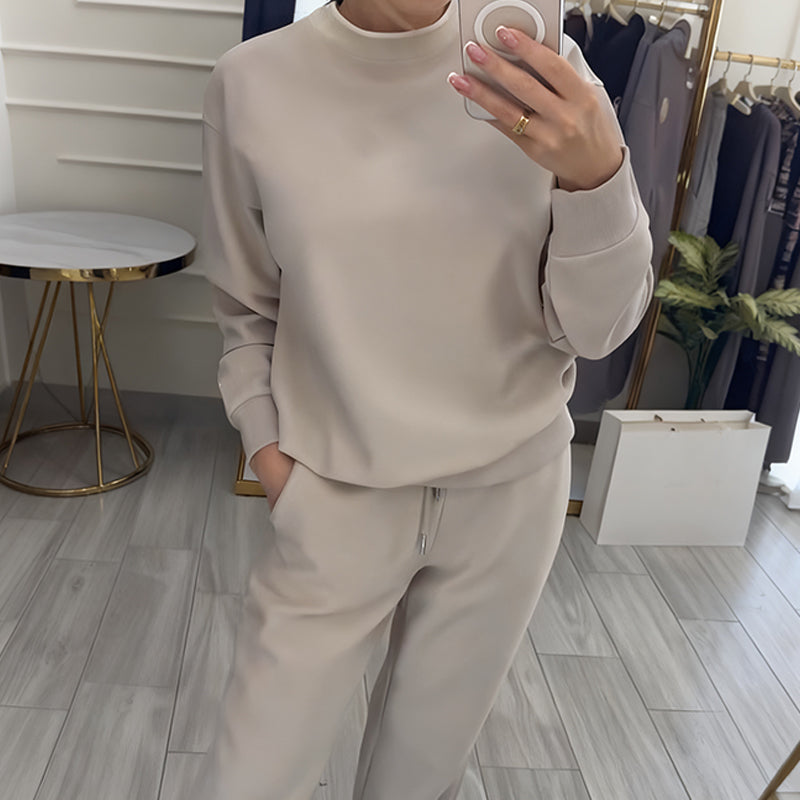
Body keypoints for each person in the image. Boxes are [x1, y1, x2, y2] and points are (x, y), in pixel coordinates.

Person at [193, 1, 654, 798]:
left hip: (510, 499)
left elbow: (599, 329)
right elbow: (246, 307)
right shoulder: (253, 82)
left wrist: (597, 177)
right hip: (336, 495)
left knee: (420, 778)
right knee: (252, 778)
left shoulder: (543, 70)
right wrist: (271, 454)